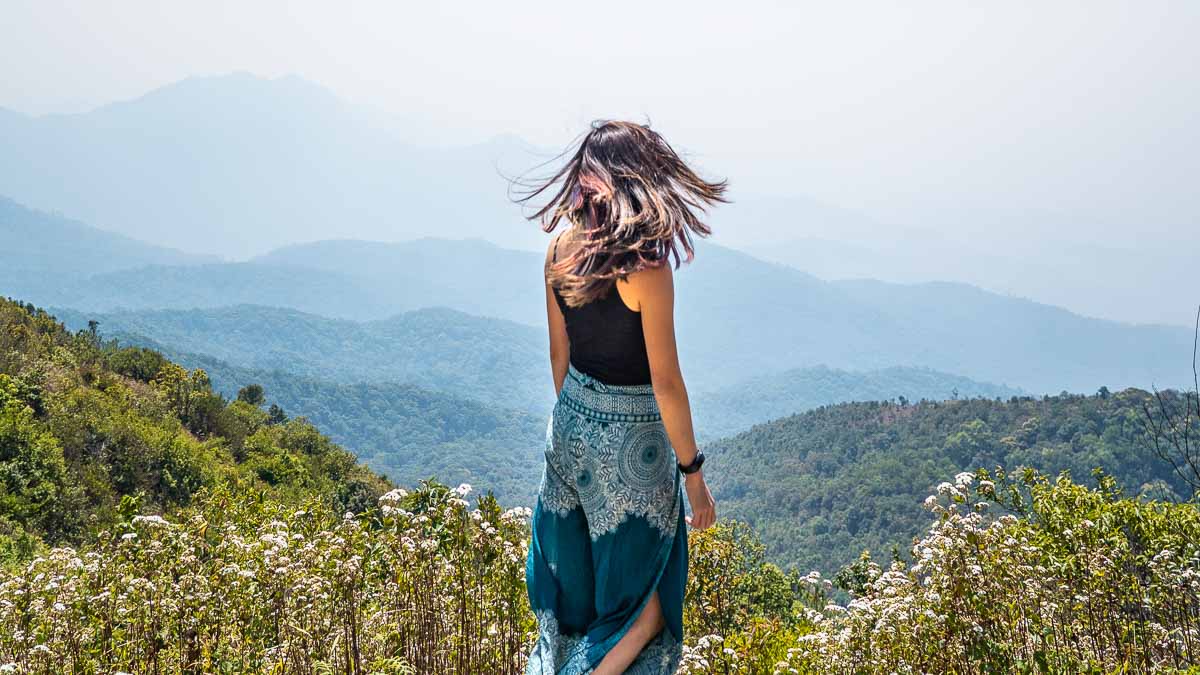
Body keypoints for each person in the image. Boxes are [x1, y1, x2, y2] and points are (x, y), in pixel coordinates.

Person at [517, 120, 725, 674]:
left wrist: (580, 425)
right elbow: (666, 383)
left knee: (581, 602)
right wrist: (693, 474)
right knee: (649, 602)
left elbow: (559, 356)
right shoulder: (645, 267)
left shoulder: (559, 247)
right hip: (634, 447)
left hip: (568, 429)